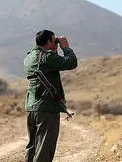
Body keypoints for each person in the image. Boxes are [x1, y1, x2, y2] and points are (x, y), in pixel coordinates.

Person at [23, 29, 78, 162]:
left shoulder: (29, 56)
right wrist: (66, 47)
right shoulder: (47, 57)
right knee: (45, 147)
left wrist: (54, 49)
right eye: (54, 41)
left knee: (33, 145)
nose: (56, 43)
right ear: (48, 42)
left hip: (32, 107)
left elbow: (49, 65)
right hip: (47, 108)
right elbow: (71, 62)